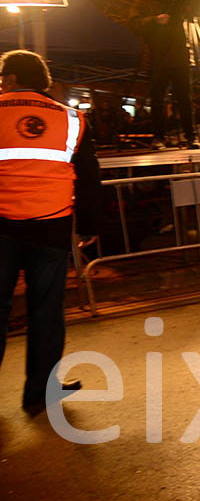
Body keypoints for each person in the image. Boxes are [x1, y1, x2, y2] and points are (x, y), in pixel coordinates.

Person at [0, 50, 102, 415]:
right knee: (46, 311)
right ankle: (39, 393)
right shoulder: (73, 119)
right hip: (51, 227)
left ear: (10, 79)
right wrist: (89, 226)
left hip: (1, 226)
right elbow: (89, 177)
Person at [128, 0, 200, 150]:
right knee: (157, 98)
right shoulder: (143, 2)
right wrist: (154, 20)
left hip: (178, 54)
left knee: (184, 97)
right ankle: (159, 137)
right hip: (156, 54)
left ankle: (191, 136)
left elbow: (197, 13)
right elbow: (133, 23)